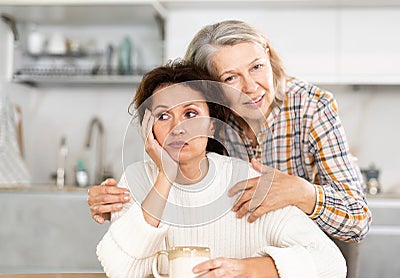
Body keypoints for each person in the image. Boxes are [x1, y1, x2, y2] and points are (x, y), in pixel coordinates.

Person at [88, 20, 371, 245]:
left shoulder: (312, 107)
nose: (251, 86)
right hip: (243, 254)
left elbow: (358, 221)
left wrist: (301, 192)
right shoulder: (205, 119)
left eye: (257, 67)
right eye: (231, 78)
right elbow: (175, 184)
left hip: (317, 247)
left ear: (268, 57)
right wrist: (121, 202)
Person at [96, 61, 346, 278]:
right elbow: (121, 269)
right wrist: (165, 175)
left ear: (212, 126)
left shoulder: (246, 181)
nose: (178, 128)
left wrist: (246, 270)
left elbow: (331, 261)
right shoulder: (137, 180)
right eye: (163, 116)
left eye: (191, 114)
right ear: (148, 130)